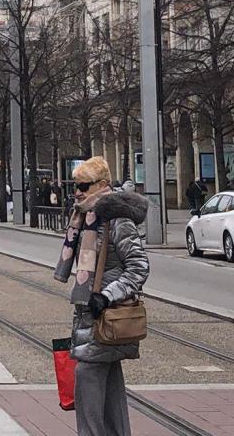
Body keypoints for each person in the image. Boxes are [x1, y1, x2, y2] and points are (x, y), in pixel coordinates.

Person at [53, 157, 148, 436]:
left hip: (106, 316)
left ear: (103, 185)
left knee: (87, 381)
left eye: (84, 185)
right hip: (93, 318)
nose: (78, 191)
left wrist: (106, 296)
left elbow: (139, 266)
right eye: (75, 185)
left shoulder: (116, 220)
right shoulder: (85, 217)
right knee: (110, 391)